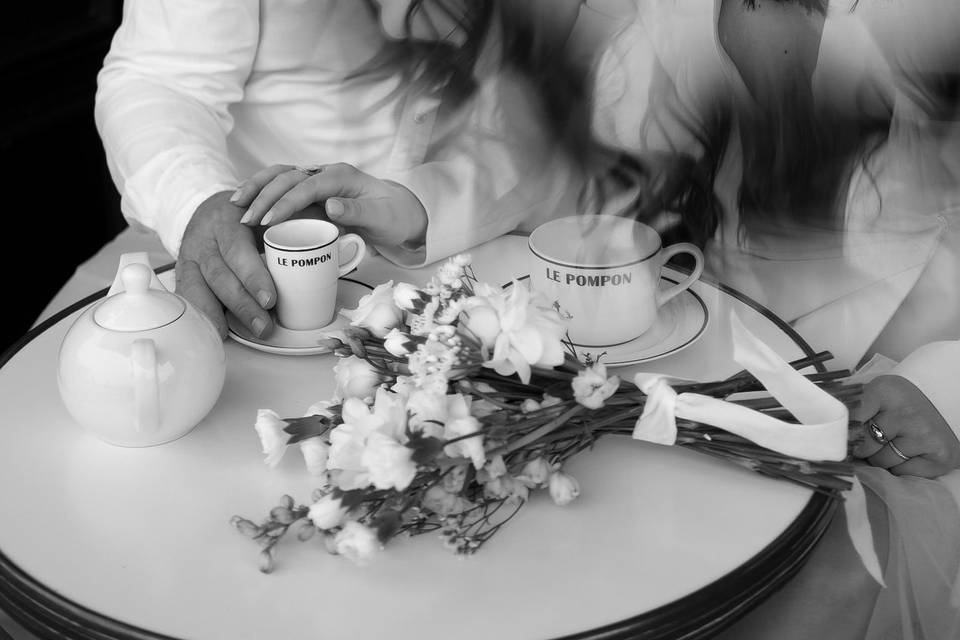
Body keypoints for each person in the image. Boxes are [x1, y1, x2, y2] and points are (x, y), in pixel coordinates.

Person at [571, 1, 960, 637]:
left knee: (807, 587)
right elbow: (598, 199)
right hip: (691, 396)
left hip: (898, 424)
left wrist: (946, 387)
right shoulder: (655, 29)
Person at [95, 0, 584, 340]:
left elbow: (559, 116)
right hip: (242, 270)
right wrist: (195, 201)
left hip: (494, 268)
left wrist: (424, 204)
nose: (392, 27)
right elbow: (157, 81)